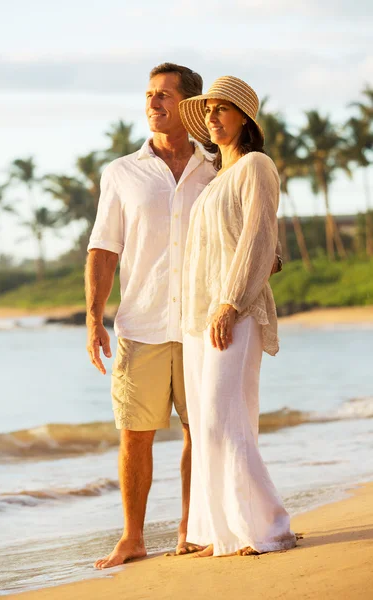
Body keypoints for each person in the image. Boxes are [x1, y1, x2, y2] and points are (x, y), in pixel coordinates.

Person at [85, 63, 215, 569]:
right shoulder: (121, 172)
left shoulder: (218, 167)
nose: (153, 103)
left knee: (198, 431)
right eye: (148, 95)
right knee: (134, 433)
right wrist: (94, 318)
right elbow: (103, 249)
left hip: (203, 324)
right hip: (141, 324)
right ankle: (133, 537)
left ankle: (190, 528)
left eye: (164, 95)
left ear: (190, 105)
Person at [178, 76, 297, 557]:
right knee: (216, 420)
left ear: (244, 116)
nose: (212, 118)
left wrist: (229, 302)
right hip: (202, 317)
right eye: (208, 111)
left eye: (221, 109)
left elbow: (257, 239)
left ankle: (270, 528)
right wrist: (203, 310)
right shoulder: (214, 180)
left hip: (236, 310)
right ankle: (224, 532)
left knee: (220, 422)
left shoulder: (256, 166)